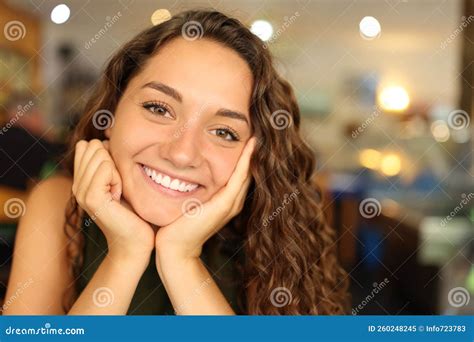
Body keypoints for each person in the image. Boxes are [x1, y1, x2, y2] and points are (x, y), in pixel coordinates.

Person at [3, 10, 348, 315]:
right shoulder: (57, 203)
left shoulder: (267, 232)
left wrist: (182, 259)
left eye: (224, 132)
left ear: (253, 157)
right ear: (113, 112)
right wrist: (125, 254)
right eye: (159, 108)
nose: (182, 153)